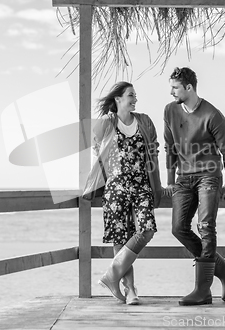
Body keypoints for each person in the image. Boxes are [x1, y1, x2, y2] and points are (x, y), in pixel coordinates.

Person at [162, 67, 225, 306]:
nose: (171, 91)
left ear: (189, 88)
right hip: (183, 178)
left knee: (206, 226)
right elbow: (169, 147)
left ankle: (203, 290)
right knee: (179, 228)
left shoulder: (213, 115)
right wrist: (169, 180)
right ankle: (224, 269)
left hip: (208, 175)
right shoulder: (170, 110)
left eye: (175, 87)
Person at [84, 81, 162, 305]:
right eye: (130, 95)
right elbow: (96, 147)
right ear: (118, 99)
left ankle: (112, 275)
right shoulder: (108, 122)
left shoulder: (145, 121)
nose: (135, 99)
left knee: (146, 231)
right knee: (120, 238)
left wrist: (158, 183)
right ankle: (130, 291)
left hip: (141, 185)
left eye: (135, 95)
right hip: (116, 187)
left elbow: (153, 151)